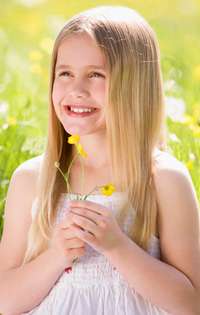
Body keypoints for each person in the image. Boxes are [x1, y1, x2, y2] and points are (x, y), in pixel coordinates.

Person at [0, 5, 199, 315]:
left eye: (95, 75)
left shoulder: (163, 179)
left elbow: (191, 304)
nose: (76, 89)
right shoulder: (33, 179)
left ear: (133, 86)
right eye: (65, 73)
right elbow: (5, 300)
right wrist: (57, 255)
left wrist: (117, 247)